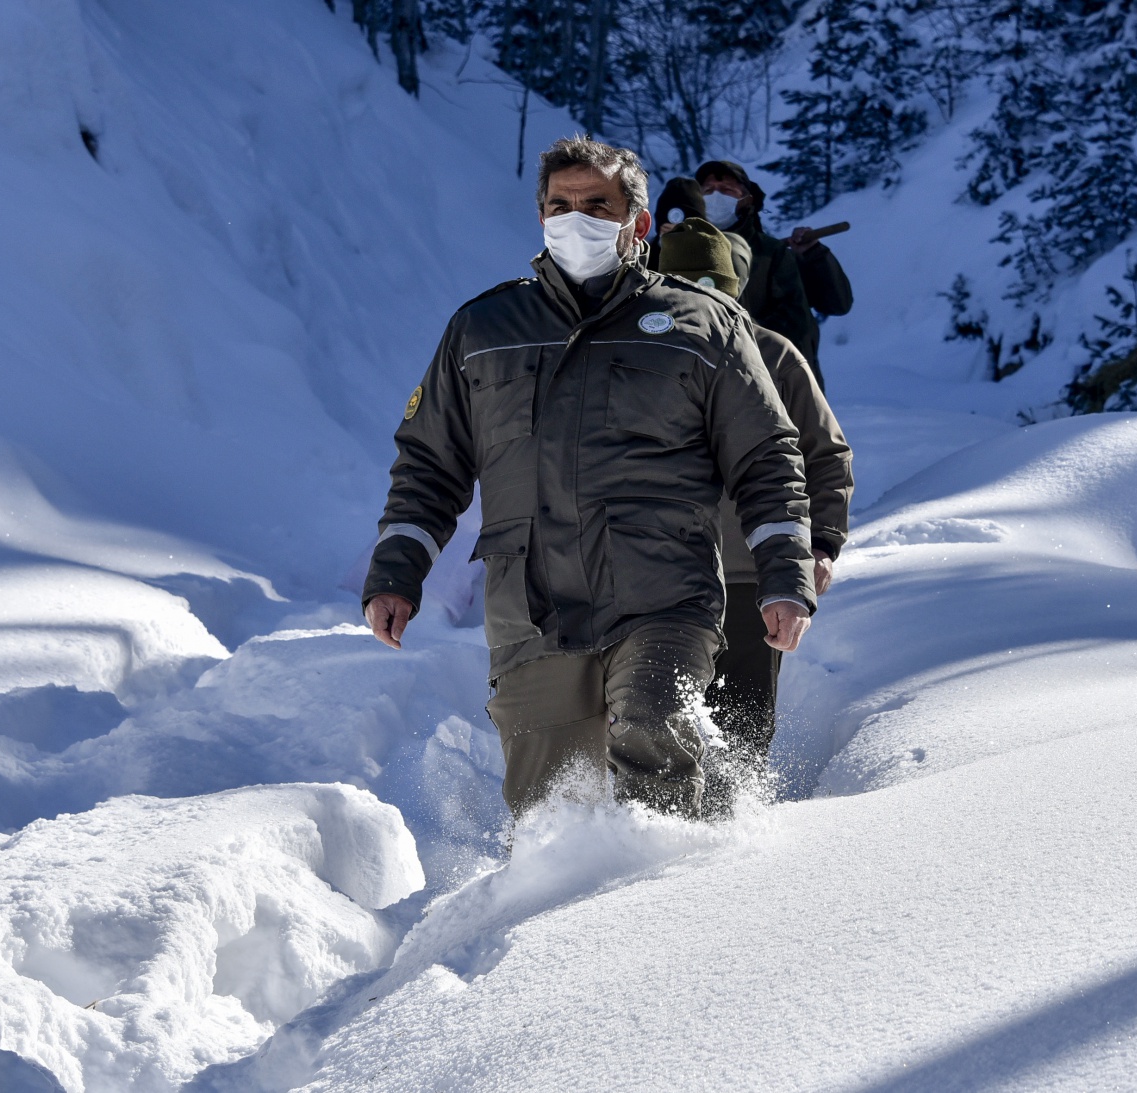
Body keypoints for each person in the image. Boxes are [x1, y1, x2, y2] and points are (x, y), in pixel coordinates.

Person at [361, 137, 817, 821]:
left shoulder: (703, 325)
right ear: (540, 217)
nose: (575, 219)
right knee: (551, 811)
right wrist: (398, 569)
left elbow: (768, 456)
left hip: (665, 594)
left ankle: (668, 916)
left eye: (596, 205)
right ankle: (559, 927)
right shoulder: (483, 330)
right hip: (532, 607)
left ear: (636, 223)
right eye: (560, 206)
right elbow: (431, 459)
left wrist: (786, 572)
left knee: (654, 732)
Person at [655, 218, 853, 813]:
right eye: (687, 282)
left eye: (714, 281)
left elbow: (824, 453)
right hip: (653, 575)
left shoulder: (773, 355)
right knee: (657, 722)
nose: (704, 295)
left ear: (735, 285)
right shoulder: (634, 353)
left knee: (739, 728)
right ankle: (660, 847)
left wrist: (818, 547)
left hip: (748, 573)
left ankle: (735, 851)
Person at [694, 160, 854, 389]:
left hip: (784, 391)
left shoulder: (774, 256)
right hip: (711, 397)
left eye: (727, 190)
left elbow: (836, 304)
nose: (716, 197)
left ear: (747, 198)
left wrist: (814, 256)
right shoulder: (680, 257)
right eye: (708, 191)